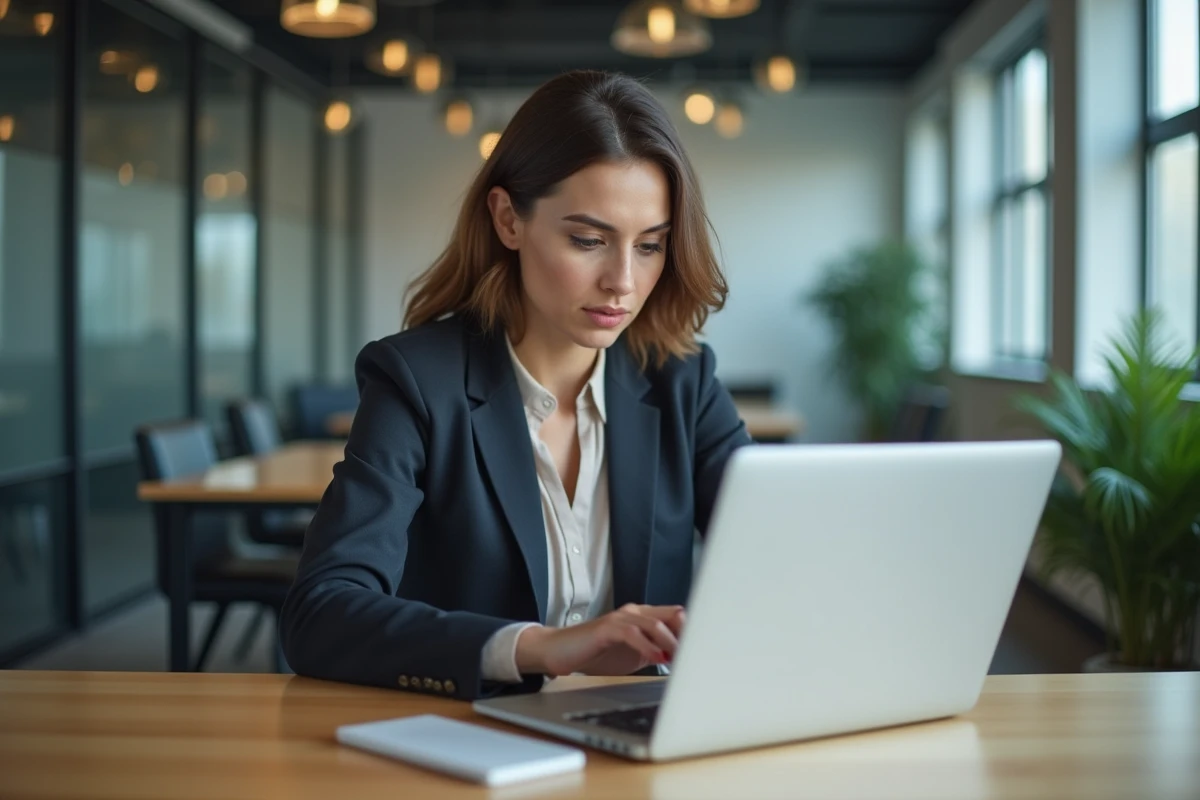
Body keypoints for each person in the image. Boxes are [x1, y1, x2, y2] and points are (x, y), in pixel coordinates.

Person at [280, 70, 751, 701]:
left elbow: (777, 553)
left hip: (640, 741)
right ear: (508, 219)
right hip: (473, 743)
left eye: (650, 247)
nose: (623, 281)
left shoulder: (682, 380)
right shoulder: (417, 382)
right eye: (589, 240)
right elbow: (320, 614)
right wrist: (539, 648)